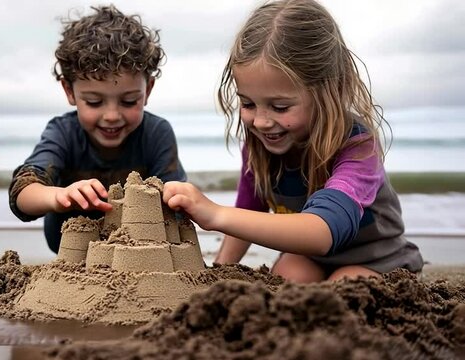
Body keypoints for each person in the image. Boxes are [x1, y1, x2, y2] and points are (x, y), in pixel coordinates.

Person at [163, 0, 423, 282]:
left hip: (377, 258)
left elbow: (322, 232)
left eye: (280, 107)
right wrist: (216, 275)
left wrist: (214, 214)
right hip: (311, 257)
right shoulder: (260, 145)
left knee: (346, 285)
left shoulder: (358, 147)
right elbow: (249, 212)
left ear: (329, 90)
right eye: (249, 104)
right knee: (287, 276)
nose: (261, 122)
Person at [9, 5, 186, 254]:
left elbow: (177, 204)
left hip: (140, 256)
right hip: (72, 254)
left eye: (128, 101)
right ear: (69, 91)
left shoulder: (156, 133)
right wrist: (59, 196)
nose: (112, 116)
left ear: (148, 90)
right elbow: (22, 194)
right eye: (94, 102)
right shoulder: (63, 133)